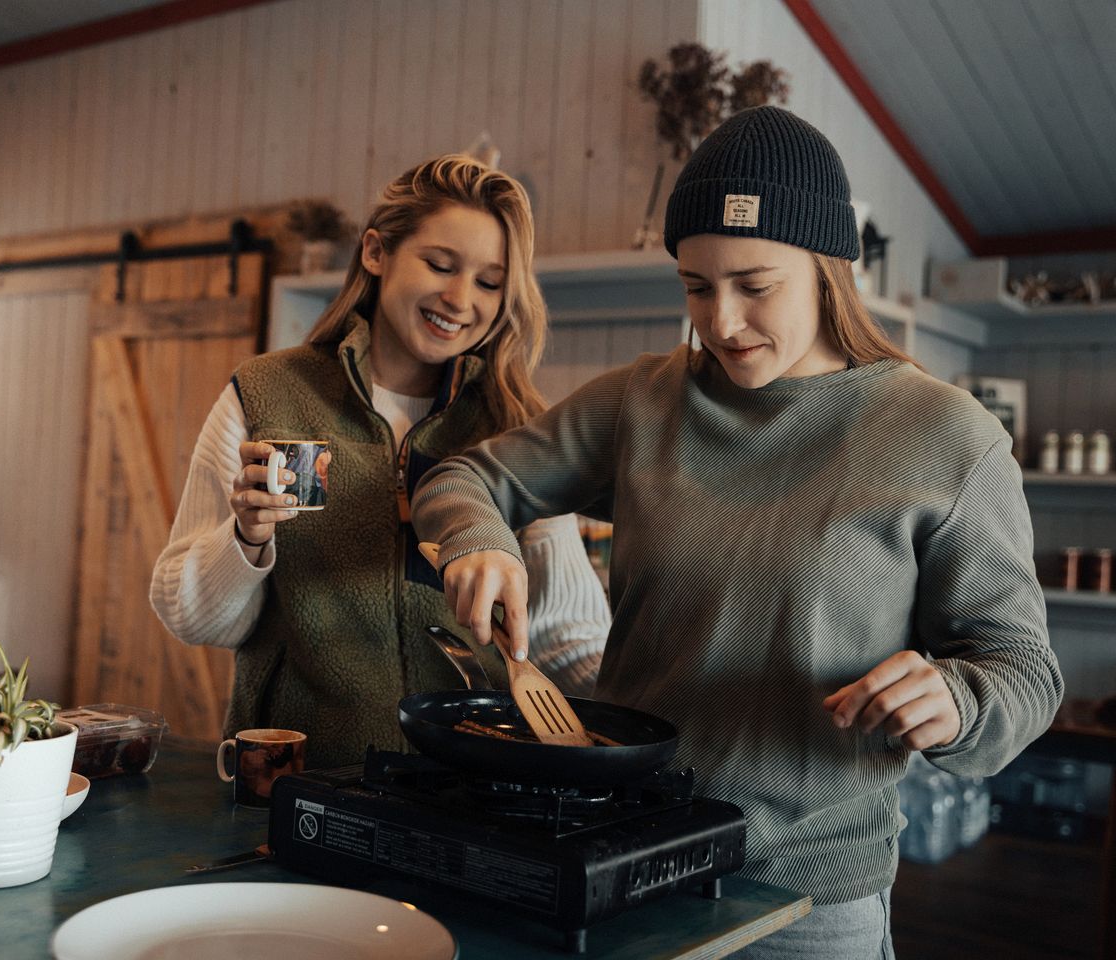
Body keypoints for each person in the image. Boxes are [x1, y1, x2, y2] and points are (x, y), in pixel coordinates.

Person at [411, 108, 1063, 959]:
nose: (720, 322)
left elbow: (1024, 671)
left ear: (829, 271)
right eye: (695, 286)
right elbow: (464, 477)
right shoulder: (646, 400)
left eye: (754, 286)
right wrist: (480, 541)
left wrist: (957, 698)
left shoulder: (948, 438)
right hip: (630, 864)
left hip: (808, 903)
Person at [150, 155, 609, 769]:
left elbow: (565, 634)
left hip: (468, 790)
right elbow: (193, 618)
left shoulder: (514, 425)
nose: (459, 298)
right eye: (440, 265)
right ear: (375, 252)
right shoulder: (265, 394)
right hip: (297, 786)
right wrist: (246, 538)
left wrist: (668, 697)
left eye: (489, 282)